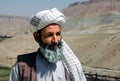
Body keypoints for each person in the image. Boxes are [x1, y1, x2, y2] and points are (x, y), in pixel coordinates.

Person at [10, 8, 87, 81]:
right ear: (37, 37)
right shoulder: (22, 67)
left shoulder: (70, 65)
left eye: (58, 34)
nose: (55, 40)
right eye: (49, 35)